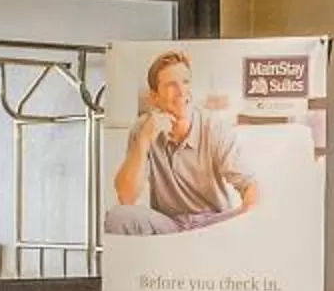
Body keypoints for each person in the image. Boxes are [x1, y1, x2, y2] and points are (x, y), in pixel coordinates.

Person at [106, 50, 257, 235]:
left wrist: (248, 224)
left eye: (185, 82)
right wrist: (144, 140)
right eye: (171, 85)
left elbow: (250, 186)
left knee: (250, 214)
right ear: (154, 96)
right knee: (116, 216)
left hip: (213, 223)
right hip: (169, 225)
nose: (181, 92)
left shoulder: (214, 127)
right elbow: (126, 196)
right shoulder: (142, 128)